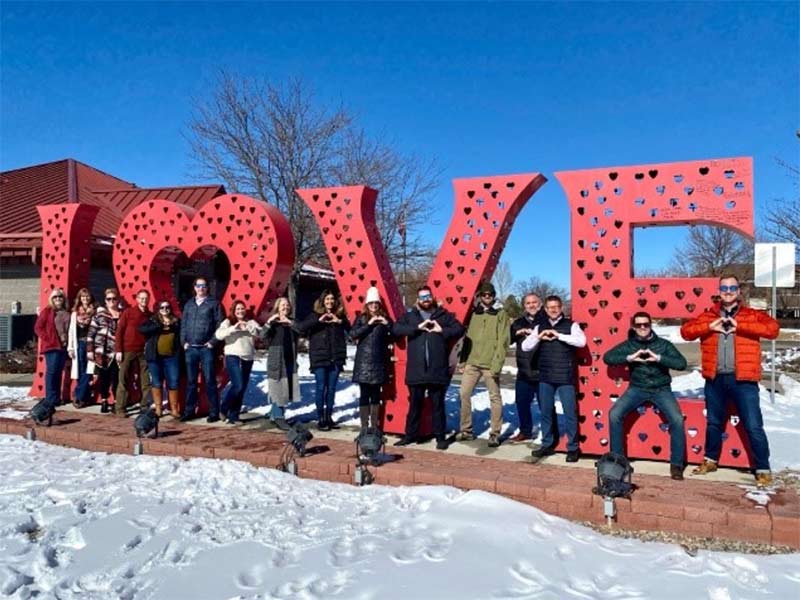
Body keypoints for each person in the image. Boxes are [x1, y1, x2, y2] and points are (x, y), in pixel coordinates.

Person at [681, 274, 780, 487]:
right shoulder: (709, 315)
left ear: (738, 291)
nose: (728, 291)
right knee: (714, 423)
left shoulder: (751, 315)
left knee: (753, 425)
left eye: (732, 288)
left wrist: (740, 326)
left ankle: (762, 468)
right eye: (724, 288)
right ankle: (710, 460)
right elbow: (686, 332)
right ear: (719, 291)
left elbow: (773, 330)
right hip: (715, 379)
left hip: (743, 380)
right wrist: (710, 327)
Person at [603, 311, 688, 480]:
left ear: (651, 325)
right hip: (637, 388)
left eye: (646, 324)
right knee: (614, 414)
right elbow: (608, 357)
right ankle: (618, 461)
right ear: (634, 327)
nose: (643, 328)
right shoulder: (629, 344)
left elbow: (682, 363)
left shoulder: (663, 344)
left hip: (661, 389)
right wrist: (630, 357)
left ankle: (677, 464)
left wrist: (658, 358)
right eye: (639, 325)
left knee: (677, 419)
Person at [392, 285, 465, 450]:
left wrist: (442, 330)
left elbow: (459, 329)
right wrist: (416, 328)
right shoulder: (411, 316)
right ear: (418, 300)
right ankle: (410, 435)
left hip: (437, 369)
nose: (426, 300)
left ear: (432, 297)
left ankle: (440, 437)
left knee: (438, 405)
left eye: (428, 296)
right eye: (422, 297)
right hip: (416, 369)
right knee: (415, 405)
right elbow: (396, 329)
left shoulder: (443, 315)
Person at [522, 295, 587, 462]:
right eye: (550, 307)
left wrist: (559, 335)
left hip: (565, 376)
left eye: (556, 307)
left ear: (561, 308)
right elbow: (525, 346)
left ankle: (573, 447)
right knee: (546, 412)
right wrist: (539, 336)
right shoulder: (540, 327)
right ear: (545, 309)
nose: (553, 310)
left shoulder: (571, 325)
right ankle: (547, 444)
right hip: (545, 375)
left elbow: (581, 342)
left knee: (569, 413)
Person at [455, 282, 510, 448]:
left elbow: (503, 341)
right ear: (480, 296)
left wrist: (497, 364)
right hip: (472, 361)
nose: (487, 297)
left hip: (490, 363)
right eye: (484, 295)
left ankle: (494, 433)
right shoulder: (474, 313)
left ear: (494, 296)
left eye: (490, 295)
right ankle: (466, 430)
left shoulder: (501, 314)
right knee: (464, 393)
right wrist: (463, 360)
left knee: (494, 397)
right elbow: (467, 339)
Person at [295, 290, 350, 431]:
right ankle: (320, 418)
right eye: (327, 299)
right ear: (322, 301)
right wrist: (318, 320)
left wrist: (340, 322)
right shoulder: (314, 315)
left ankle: (329, 416)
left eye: (332, 299)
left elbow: (352, 331)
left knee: (331, 389)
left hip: (335, 357)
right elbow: (300, 328)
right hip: (320, 357)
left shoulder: (339, 316)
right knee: (321, 387)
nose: (330, 302)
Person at [180, 277, 223, 422]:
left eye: (204, 286)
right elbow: (183, 324)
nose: (201, 288)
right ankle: (189, 411)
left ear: (207, 288)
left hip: (206, 349)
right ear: (194, 288)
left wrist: (213, 342)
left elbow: (219, 324)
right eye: (198, 286)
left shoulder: (214, 303)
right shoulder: (189, 305)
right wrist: (183, 342)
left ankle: (213, 412)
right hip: (190, 348)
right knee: (191, 382)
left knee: (210, 381)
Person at [509, 293, 550, 443]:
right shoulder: (519, 322)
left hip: (542, 371)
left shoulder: (547, 320)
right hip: (524, 371)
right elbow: (508, 339)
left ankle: (549, 434)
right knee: (521, 403)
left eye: (534, 302)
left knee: (545, 405)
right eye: (528, 303)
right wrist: (516, 332)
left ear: (539, 304)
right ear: (524, 306)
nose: (531, 305)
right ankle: (525, 431)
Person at [351, 287, 394, 429]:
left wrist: (386, 324)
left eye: (376, 303)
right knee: (364, 395)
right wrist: (368, 325)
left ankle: (374, 426)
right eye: (371, 303)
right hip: (363, 362)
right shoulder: (362, 318)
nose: (374, 306)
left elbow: (395, 334)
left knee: (376, 396)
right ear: (367, 304)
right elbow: (353, 334)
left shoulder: (385, 318)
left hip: (379, 362)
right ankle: (364, 426)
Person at [215, 300, 263, 424]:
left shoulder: (251, 321)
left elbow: (261, 333)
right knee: (238, 384)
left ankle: (234, 416)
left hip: (247, 356)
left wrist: (248, 327)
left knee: (242, 388)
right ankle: (224, 408)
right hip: (233, 355)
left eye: (242, 309)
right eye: (238, 309)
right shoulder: (228, 322)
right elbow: (219, 335)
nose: (240, 311)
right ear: (233, 311)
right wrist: (233, 328)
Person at [140, 299, 181, 418]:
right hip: (155, 357)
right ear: (158, 309)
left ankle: (173, 409)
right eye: (162, 308)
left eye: (167, 307)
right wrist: (159, 325)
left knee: (173, 381)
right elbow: (142, 330)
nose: (165, 310)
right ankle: (158, 408)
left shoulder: (176, 321)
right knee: (156, 382)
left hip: (171, 357)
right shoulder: (153, 320)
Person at [114, 289, 153, 417]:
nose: (144, 300)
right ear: (137, 299)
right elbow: (119, 331)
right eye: (141, 298)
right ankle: (120, 408)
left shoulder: (150, 315)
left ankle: (144, 406)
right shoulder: (128, 312)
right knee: (123, 378)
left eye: (146, 298)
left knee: (146, 380)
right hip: (128, 349)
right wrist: (118, 350)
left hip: (143, 351)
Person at [34, 288, 70, 415]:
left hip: (63, 347)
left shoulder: (66, 312)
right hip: (52, 346)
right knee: (52, 372)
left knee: (59, 373)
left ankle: (56, 397)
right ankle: (50, 398)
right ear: (51, 299)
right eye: (55, 297)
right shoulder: (47, 311)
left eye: (60, 297)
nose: (58, 299)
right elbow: (38, 327)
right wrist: (49, 339)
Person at [264, 297, 299, 430]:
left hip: (290, 359)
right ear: (277, 307)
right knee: (278, 387)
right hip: (276, 360)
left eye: (287, 305)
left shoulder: (292, 322)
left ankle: (274, 414)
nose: (285, 307)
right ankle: (279, 417)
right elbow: (262, 336)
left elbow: (301, 330)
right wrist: (268, 323)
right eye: (282, 305)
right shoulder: (273, 323)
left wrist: (290, 322)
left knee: (285, 388)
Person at [87, 288, 121, 413]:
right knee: (103, 378)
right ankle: (104, 401)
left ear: (117, 300)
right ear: (105, 301)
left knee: (116, 377)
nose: (111, 301)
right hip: (102, 351)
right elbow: (91, 333)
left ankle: (117, 402)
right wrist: (90, 350)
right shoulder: (99, 315)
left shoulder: (122, 314)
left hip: (117, 351)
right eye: (109, 299)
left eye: (114, 298)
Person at [67, 287, 96, 408]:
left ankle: (78, 396)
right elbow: (71, 331)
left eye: (87, 296)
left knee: (89, 371)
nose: (85, 298)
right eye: (83, 296)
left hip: (90, 345)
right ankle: (85, 397)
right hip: (79, 344)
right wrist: (70, 347)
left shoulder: (95, 312)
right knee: (81, 370)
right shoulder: (75, 313)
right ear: (79, 298)